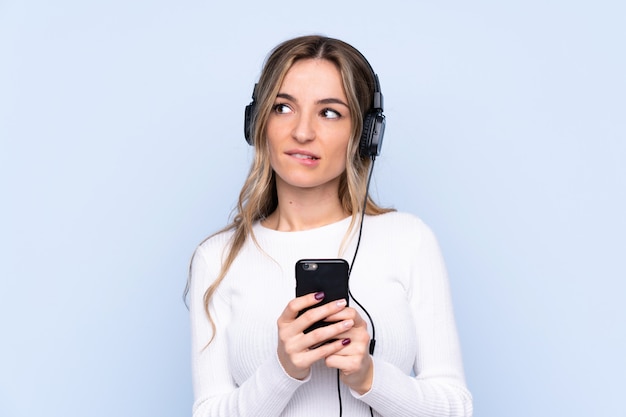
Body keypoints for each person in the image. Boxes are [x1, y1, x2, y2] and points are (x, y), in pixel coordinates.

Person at [186, 35, 473, 417]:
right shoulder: (217, 258)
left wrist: (369, 377)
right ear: (258, 122)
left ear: (365, 135)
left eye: (329, 112)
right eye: (283, 107)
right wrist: (284, 370)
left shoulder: (408, 240)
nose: (302, 132)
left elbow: (454, 408)